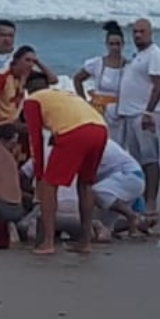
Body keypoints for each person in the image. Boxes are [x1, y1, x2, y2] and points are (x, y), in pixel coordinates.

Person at [24, 87, 109, 256]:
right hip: (100, 128)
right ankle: (85, 241)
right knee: (86, 183)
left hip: (75, 132)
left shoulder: (31, 101)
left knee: (49, 184)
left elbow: (35, 140)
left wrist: (39, 173)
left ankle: (48, 242)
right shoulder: (61, 94)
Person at [110, 18, 160, 218]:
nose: (137, 35)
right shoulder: (138, 55)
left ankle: (151, 201)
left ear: (151, 33)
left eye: (142, 31)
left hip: (144, 114)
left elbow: (159, 84)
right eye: (134, 32)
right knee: (135, 160)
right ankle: (139, 200)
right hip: (130, 114)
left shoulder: (155, 54)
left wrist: (149, 112)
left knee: (150, 159)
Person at [73, 21, 127, 120]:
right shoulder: (97, 63)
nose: (115, 47)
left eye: (118, 44)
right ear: (107, 45)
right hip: (98, 112)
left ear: (123, 44)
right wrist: (84, 102)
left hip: (120, 113)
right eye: (111, 44)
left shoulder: (129, 66)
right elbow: (77, 79)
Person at [0, 45, 39, 130]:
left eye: (33, 62)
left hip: (13, 122)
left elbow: (53, 79)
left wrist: (39, 62)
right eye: (27, 60)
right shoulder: (2, 78)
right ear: (17, 60)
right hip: (1, 123)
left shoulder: (24, 77)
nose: (31, 64)